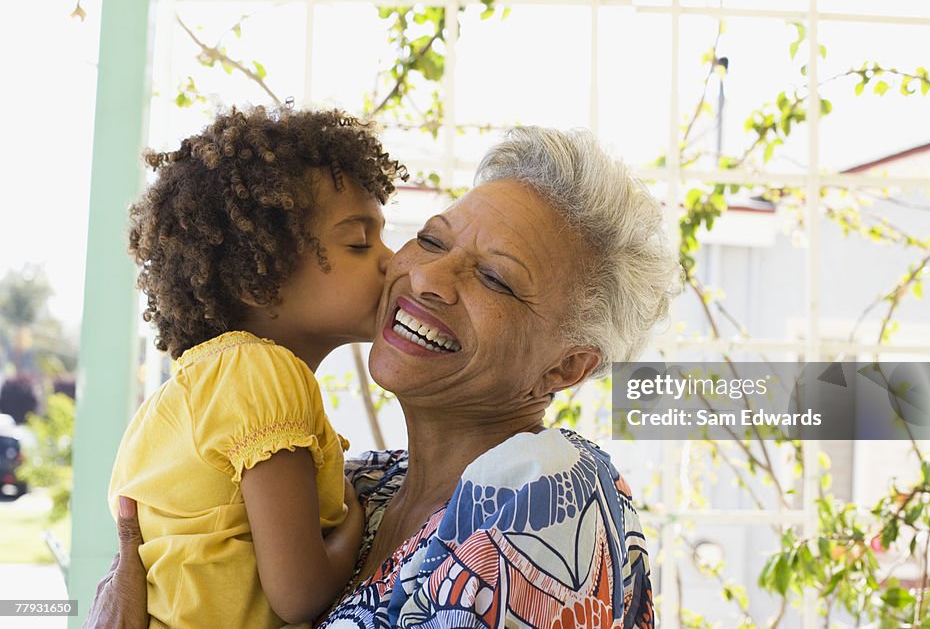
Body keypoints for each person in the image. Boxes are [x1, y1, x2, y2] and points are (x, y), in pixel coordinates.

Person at [87, 125, 678, 629]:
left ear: (566, 366)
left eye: (495, 278)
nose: (424, 278)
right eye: (430, 240)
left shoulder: (541, 508)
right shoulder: (366, 483)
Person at [106, 106, 405, 627]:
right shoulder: (263, 373)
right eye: (359, 242)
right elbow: (300, 595)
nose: (391, 259)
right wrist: (357, 525)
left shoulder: (196, 389)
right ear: (257, 276)